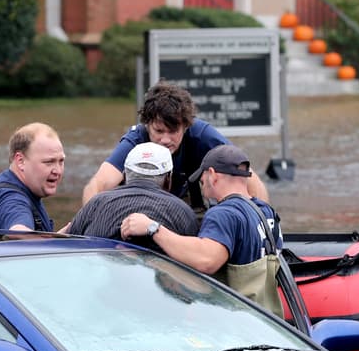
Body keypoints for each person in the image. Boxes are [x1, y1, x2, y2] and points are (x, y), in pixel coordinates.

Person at [120, 144, 284, 316]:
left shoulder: (223, 214)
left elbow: (207, 260)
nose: (202, 185)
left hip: (237, 320)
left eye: (202, 179)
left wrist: (152, 228)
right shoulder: (265, 211)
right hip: (269, 320)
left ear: (212, 175)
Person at [82, 81, 270, 210]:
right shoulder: (135, 140)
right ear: (147, 125)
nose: (165, 139)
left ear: (186, 126)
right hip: (138, 208)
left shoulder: (202, 135)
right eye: (159, 131)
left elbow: (250, 179)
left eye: (173, 131)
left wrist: (262, 225)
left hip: (189, 209)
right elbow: (97, 185)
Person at [68, 141, 198, 250]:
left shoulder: (95, 203)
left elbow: (68, 244)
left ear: (124, 176)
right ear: (168, 179)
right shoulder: (183, 213)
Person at [0, 122, 66, 232]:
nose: (57, 171)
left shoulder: (5, 182)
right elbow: (18, 233)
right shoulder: (11, 199)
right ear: (20, 161)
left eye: (61, 161)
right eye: (49, 162)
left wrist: (62, 237)